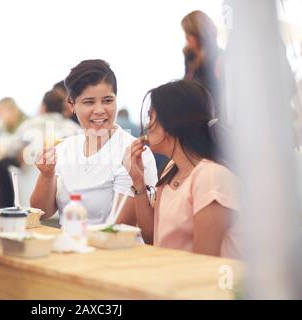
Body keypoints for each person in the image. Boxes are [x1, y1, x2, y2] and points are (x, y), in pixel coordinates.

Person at [119, 80, 241, 258]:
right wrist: (138, 181)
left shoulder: (211, 177)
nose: (146, 125)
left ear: (170, 122)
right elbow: (153, 237)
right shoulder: (172, 169)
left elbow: (204, 262)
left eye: (150, 116)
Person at [30, 59, 157, 226]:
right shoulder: (64, 149)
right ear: (72, 105)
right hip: (69, 246)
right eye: (89, 102)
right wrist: (46, 176)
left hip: (114, 249)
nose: (99, 110)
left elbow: (119, 227)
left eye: (107, 100)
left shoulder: (134, 153)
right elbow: (42, 212)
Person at [0, 89, 80, 207]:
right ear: (63, 108)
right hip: (66, 196)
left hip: (30, 192)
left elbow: (8, 150)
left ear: (43, 106)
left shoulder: (29, 125)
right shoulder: (73, 129)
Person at [181, 10, 226, 122]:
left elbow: (218, 96)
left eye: (189, 34)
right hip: (191, 115)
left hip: (210, 119)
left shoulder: (219, 58)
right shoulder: (190, 56)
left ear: (200, 34)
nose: (186, 38)